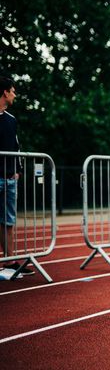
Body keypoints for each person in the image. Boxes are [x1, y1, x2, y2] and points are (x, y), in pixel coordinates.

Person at [0, 76, 34, 280]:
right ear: (5, 92)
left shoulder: (11, 120)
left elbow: (16, 146)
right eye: (12, 91)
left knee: (8, 221)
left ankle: (10, 262)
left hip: (9, 178)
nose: (14, 94)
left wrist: (18, 169)